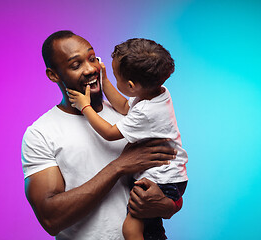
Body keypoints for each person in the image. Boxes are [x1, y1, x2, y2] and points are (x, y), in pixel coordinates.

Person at [21, 31, 182, 240]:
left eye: (91, 58)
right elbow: (51, 219)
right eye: (76, 65)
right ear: (54, 75)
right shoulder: (41, 133)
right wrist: (118, 166)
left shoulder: (133, 113)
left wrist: (169, 205)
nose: (90, 69)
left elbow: (169, 174)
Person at [67, 38, 188, 239]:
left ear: (132, 86)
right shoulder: (157, 93)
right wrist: (104, 81)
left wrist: (84, 106)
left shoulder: (146, 113)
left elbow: (109, 133)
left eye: (115, 76)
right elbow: (125, 106)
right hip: (172, 177)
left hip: (163, 180)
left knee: (131, 229)